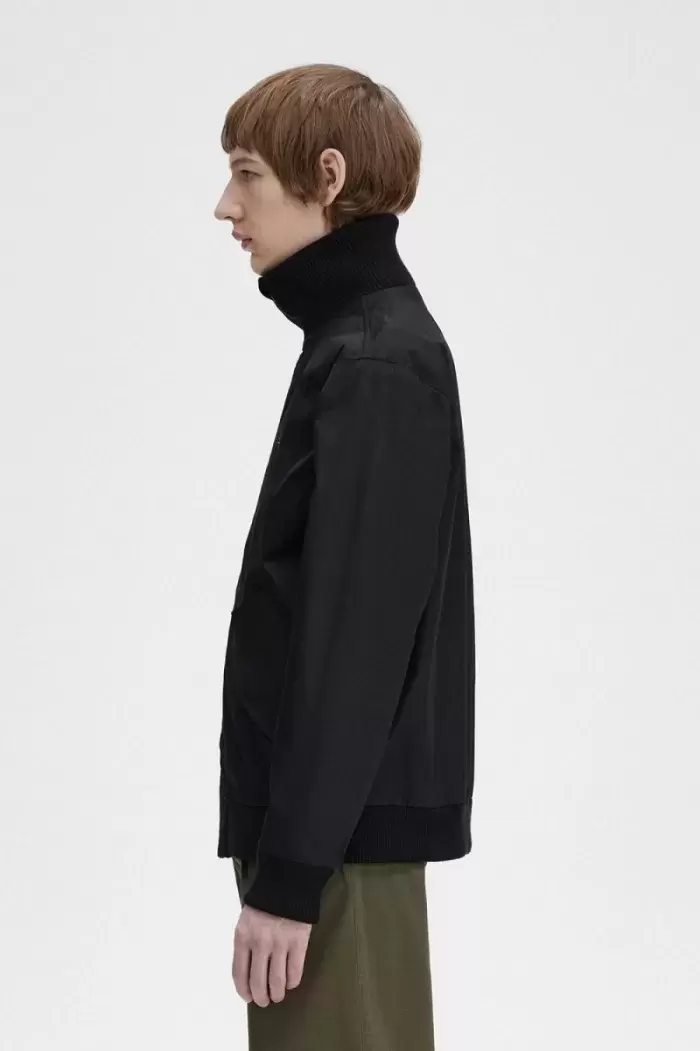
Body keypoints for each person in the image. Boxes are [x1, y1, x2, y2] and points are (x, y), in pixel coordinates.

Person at [213, 62, 476, 1051]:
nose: (226, 206)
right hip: (328, 837)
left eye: (248, 174)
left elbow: (356, 643)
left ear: (327, 177)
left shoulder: (373, 360)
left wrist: (290, 876)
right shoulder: (354, 345)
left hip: (332, 851)